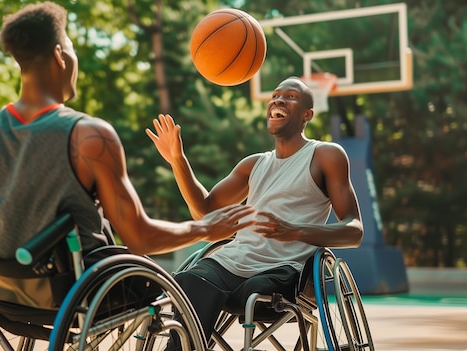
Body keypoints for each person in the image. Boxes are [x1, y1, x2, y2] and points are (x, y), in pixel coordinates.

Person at [0, 1, 256, 299]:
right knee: (172, 291)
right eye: (72, 49)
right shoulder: (89, 137)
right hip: (72, 290)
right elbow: (139, 238)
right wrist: (203, 229)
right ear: (60, 56)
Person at [146, 76, 364, 345]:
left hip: (285, 269)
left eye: (291, 96)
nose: (278, 99)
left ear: (307, 115)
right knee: (189, 281)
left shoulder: (326, 155)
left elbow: (354, 230)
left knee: (252, 292)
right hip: (232, 261)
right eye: (275, 95)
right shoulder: (254, 164)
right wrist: (178, 161)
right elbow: (204, 211)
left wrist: (294, 231)